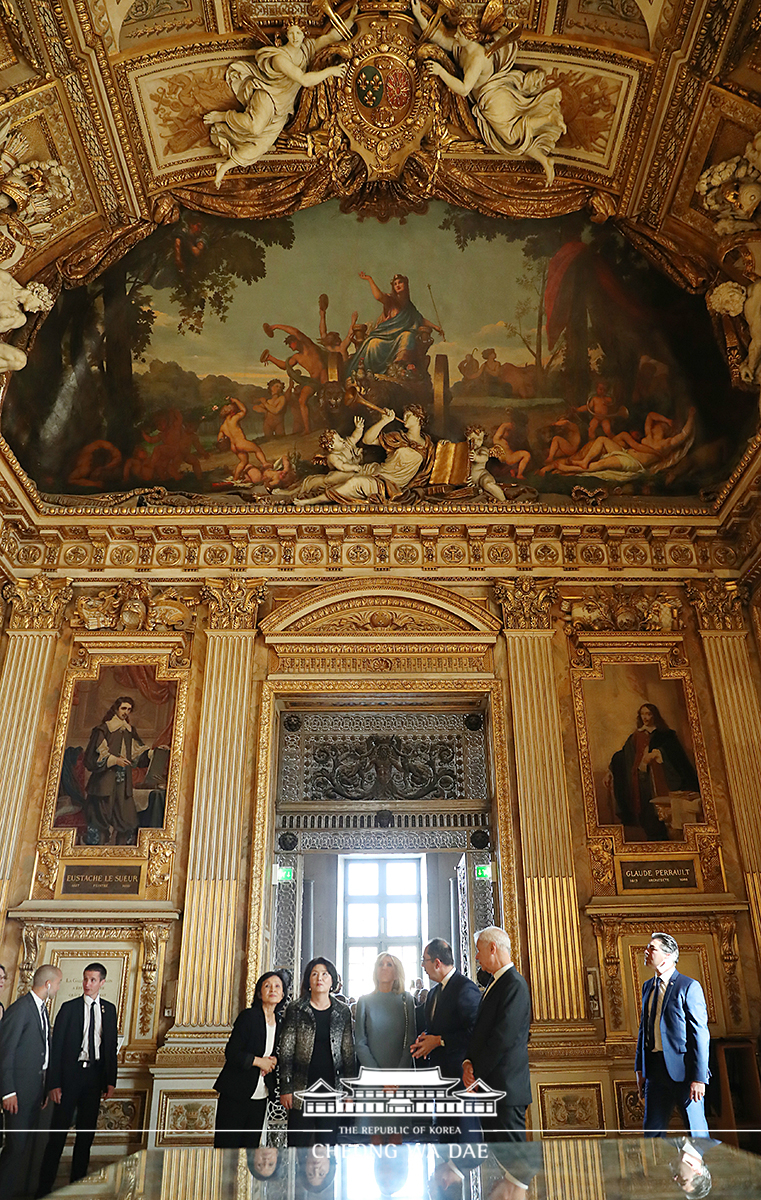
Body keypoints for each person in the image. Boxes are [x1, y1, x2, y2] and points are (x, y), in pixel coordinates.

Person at [411, 0, 564, 186]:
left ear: (471, 37)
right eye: (458, 31)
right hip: (486, 100)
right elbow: (441, 39)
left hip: (493, 99)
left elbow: (465, 89)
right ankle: (544, 159)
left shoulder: (478, 58)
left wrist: (441, 72)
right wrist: (419, 15)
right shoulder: (463, 46)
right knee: (510, 141)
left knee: (510, 136)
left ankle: (548, 118)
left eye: (460, 33)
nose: (456, 34)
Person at [203, 20, 355, 188]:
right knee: (255, 127)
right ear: (285, 35)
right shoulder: (279, 57)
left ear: (304, 33)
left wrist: (352, 18)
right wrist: (331, 71)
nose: (295, 37)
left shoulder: (306, 49)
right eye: (291, 33)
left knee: (260, 148)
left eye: (298, 33)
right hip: (268, 96)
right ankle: (224, 116)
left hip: (282, 110)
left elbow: (331, 37)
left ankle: (224, 167)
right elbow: (304, 80)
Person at [35, 963, 117, 1196]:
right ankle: (43, 1189)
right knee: (57, 1136)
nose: (87, 984)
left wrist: (111, 1080)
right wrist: (53, 1083)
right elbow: (56, 1047)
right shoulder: (68, 1008)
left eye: (93, 980)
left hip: (94, 1078)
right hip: (70, 1078)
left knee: (86, 1136)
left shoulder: (108, 1010)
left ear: (102, 983)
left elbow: (110, 1048)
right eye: (85, 979)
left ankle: (77, 1188)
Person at [635, 932, 710, 1138]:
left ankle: (700, 1170)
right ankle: (657, 1171)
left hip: (685, 1072)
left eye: (652, 948)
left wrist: (699, 1078)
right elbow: (644, 1030)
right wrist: (640, 1069)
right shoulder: (647, 987)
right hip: (655, 1071)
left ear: (667, 956)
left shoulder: (688, 986)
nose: (646, 951)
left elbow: (700, 1034)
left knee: (696, 1131)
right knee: (652, 1133)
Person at [462, 926, 531, 1142]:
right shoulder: (496, 982)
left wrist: (475, 1074)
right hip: (492, 1089)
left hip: (506, 1091)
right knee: (501, 1164)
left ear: (493, 948)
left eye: (478, 950)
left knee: (514, 1166)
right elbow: (481, 1030)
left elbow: (502, 1038)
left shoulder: (514, 984)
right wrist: (468, 1062)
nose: (476, 956)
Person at [0, 965, 62, 1200]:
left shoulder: (42, 1010)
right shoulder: (21, 1009)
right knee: (16, 1148)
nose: (57, 987)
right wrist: (7, 1092)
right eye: (57, 983)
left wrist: (45, 1089)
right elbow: (5, 1053)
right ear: (48, 984)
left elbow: (42, 1054)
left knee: (25, 1149)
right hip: (18, 1093)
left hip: (36, 1091)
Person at [278, 957, 355, 1146]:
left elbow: (348, 1053)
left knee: (327, 1146)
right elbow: (286, 1051)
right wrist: (286, 1087)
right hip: (301, 1086)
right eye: (314, 974)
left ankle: (325, 1176)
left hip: (331, 1087)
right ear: (308, 981)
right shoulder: (296, 1008)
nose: (319, 978)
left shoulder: (342, 1011)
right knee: (297, 1145)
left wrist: (350, 1092)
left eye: (324, 974)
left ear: (332, 981)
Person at [213, 969, 289, 1149]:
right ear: (259, 993)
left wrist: (274, 1061)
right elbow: (232, 1053)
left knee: (250, 1150)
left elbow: (277, 1052)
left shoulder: (280, 1022)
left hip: (261, 1095)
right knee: (227, 1148)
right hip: (236, 1092)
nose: (273, 989)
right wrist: (258, 1061)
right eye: (267, 985)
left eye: (277, 986)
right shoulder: (249, 1017)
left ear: (283, 994)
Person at [300, 405, 435, 506]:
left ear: (418, 418)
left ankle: (313, 501)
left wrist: (446, 446)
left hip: (388, 484)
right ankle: (295, 490)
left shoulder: (428, 445)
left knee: (354, 483)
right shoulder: (398, 437)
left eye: (409, 415)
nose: (405, 417)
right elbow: (367, 440)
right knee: (332, 479)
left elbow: (434, 464)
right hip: (375, 471)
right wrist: (384, 421)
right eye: (405, 414)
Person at [603, 703, 700, 841]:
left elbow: (675, 754)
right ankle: (652, 837)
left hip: (659, 779)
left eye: (649, 714)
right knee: (645, 809)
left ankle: (664, 839)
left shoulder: (665, 734)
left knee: (661, 812)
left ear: (654, 715)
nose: (646, 717)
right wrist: (610, 772)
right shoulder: (636, 735)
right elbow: (622, 756)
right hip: (640, 780)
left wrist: (658, 753)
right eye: (643, 714)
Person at [82, 696, 152, 846]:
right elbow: (92, 757)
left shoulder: (129, 731)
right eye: (123, 708)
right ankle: (93, 859)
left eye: (129, 709)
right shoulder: (103, 729)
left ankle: (122, 858)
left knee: (127, 820)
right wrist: (114, 760)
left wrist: (155, 753)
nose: (126, 712)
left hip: (122, 784)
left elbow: (137, 752)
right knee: (98, 822)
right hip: (103, 784)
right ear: (116, 709)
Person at [346, 272, 443, 379]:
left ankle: (399, 366)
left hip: (399, 338)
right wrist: (369, 279)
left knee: (408, 335)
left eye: (400, 282)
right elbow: (378, 296)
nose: (397, 285)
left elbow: (420, 319)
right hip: (385, 336)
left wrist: (436, 327)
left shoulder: (410, 307)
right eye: (395, 283)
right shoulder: (390, 300)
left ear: (406, 285)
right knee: (373, 344)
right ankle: (369, 372)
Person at [411, 938, 480, 1083]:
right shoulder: (433, 993)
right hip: (439, 1075)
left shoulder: (465, 988)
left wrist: (439, 1041)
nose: (422, 965)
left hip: (460, 1076)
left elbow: (476, 1032)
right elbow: (437, 1028)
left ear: (437, 963)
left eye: (424, 960)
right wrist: (426, 1038)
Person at [355, 953, 416, 1070]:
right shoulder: (364, 1001)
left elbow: (410, 1040)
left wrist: (398, 1075)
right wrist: (380, 1077)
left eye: (389, 965)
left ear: (397, 974)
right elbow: (360, 1043)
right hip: (372, 1076)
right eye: (380, 964)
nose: (384, 967)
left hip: (400, 1076)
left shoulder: (406, 999)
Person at [216, 396, 272, 481]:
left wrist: (221, 442)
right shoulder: (234, 419)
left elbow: (220, 438)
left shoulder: (223, 426)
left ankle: (235, 479)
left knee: (243, 462)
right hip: (241, 443)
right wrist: (236, 401)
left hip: (233, 446)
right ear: (232, 412)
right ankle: (264, 463)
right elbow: (244, 410)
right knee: (257, 449)